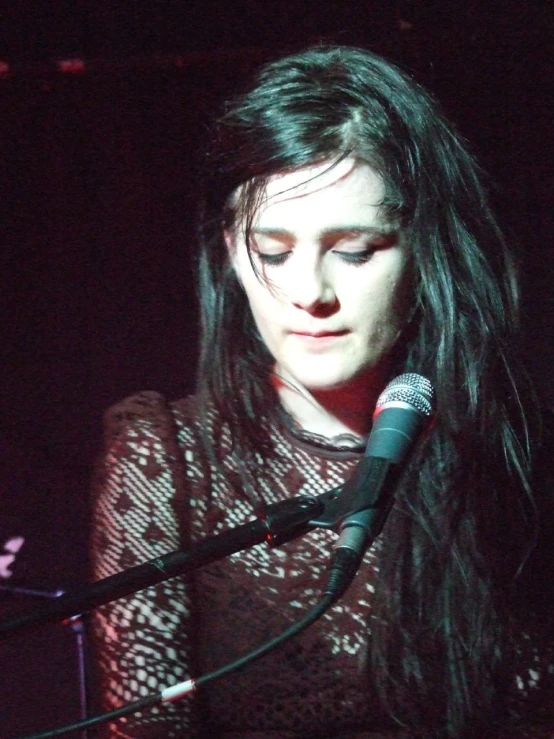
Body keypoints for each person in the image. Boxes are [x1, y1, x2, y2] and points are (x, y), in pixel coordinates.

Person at [90, 45, 554, 737]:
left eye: (355, 249)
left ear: (426, 250)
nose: (310, 293)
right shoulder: (169, 458)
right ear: (229, 254)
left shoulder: (512, 452)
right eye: (273, 251)